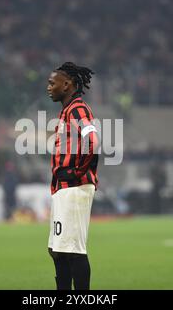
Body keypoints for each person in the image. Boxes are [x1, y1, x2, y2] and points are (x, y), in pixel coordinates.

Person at [46, 62, 100, 290]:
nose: (48, 87)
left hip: (74, 187)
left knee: (73, 250)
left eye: (52, 82)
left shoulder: (78, 108)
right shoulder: (67, 111)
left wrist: (77, 171)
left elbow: (93, 141)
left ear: (66, 84)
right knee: (57, 250)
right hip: (64, 186)